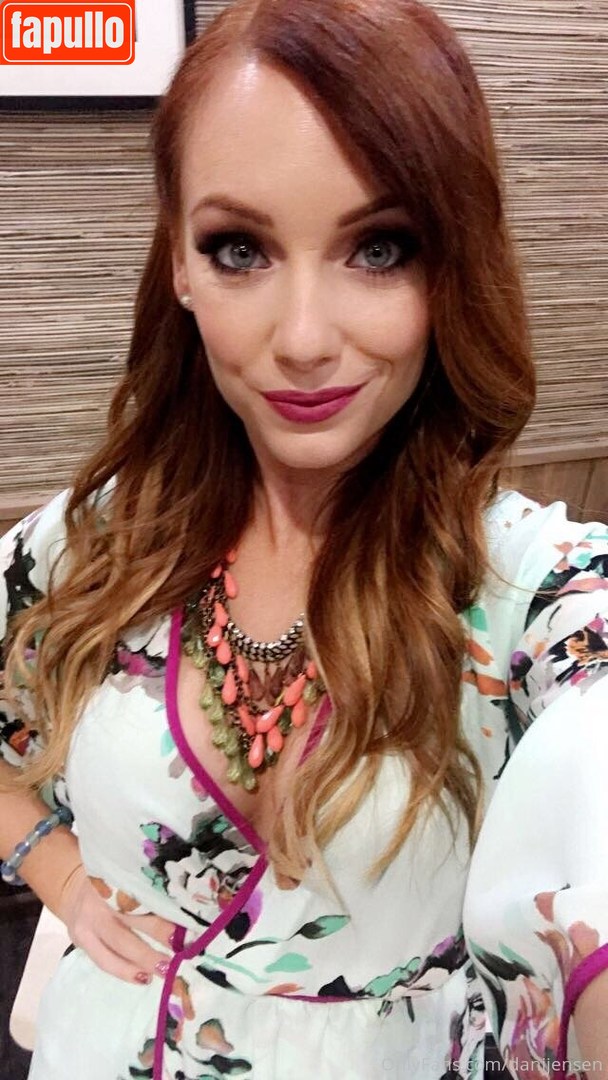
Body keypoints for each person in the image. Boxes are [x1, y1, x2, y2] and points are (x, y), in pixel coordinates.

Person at [0, 0, 606, 1077]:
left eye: (379, 249)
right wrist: (59, 874)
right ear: (180, 263)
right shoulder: (94, 543)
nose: (304, 338)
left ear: (449, 264)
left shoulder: (527, 590)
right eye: (239, 249)